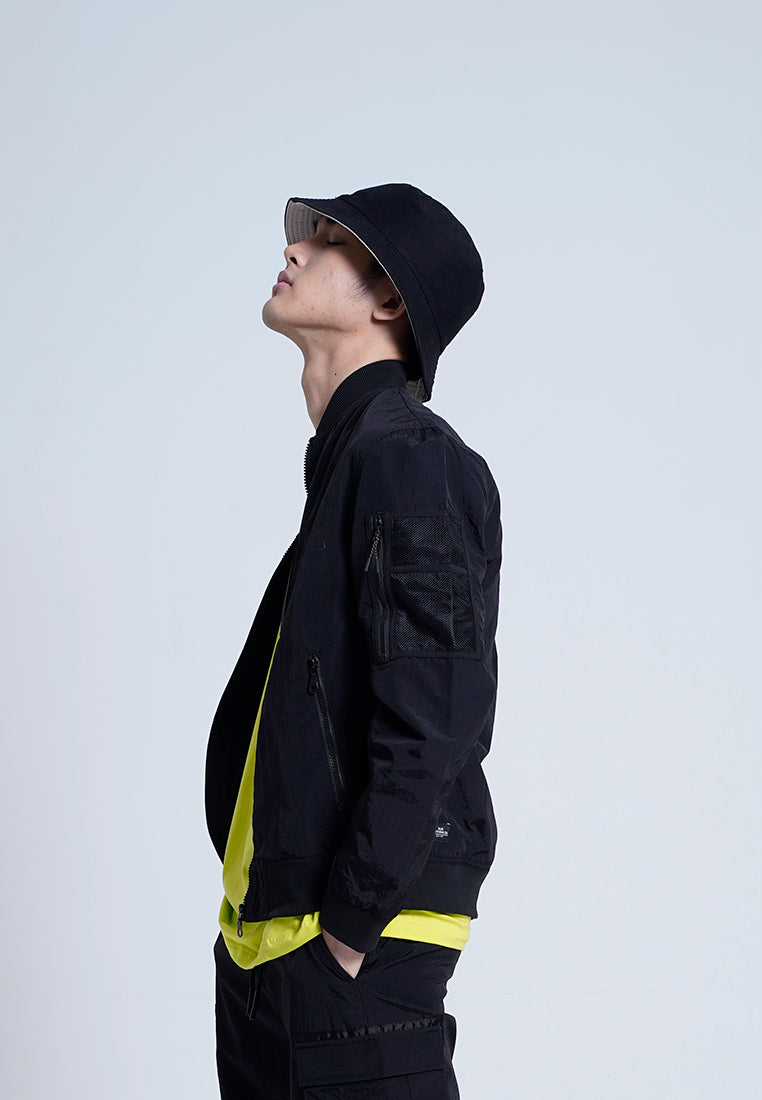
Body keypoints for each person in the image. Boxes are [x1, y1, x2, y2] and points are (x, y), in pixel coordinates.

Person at [205, 183, 502, 1099]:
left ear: (389, 300)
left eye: (330, 241)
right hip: (274, 954)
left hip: (349, 961)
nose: (293, 250)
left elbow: (438, 711)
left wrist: (350, 924)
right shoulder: (355, 464)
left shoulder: (408, 456)